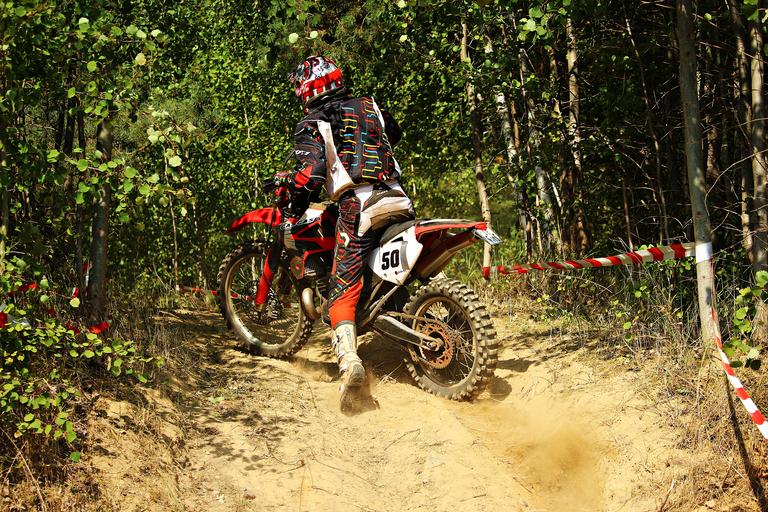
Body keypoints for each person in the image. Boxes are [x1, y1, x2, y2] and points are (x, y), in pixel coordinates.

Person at [280, 55, 414, 412]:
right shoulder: (370, 104)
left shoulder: (312, 121)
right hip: (398, 197)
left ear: (306, 90)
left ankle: (350, 364)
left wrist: (293, 202)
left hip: (359, 204)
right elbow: (394, 134)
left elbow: (310, 174)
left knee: (343, 287)